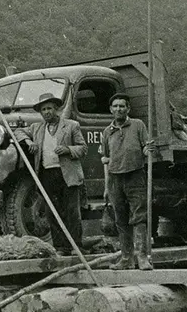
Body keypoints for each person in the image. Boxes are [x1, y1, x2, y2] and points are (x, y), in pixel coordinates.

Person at [14, 92, 88, 255]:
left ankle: (76, 246)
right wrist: (29, 141)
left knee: (72, 212)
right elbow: (18, 132)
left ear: (56, 109)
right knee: (52, 212)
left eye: (49, 108)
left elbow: (83, 149)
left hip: (67, 174)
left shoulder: (71, 126)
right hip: (47, 174)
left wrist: (68, 149)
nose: (47, 112)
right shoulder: (37, 128)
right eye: (43, 110)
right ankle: (61, 247)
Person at [100, 93, 155, 270]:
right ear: (111, 109)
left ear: (128, 108)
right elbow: (106, 158)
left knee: (139, 216)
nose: (119, 109)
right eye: (115, 106)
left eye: (122, 106)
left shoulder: (138, 125)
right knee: (120, 218)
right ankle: (126, 258)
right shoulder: (107, 131)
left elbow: (145, 147)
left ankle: (142, 257)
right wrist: (106, 186)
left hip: (135, 175)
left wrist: (148, 150)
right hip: (115, 178)